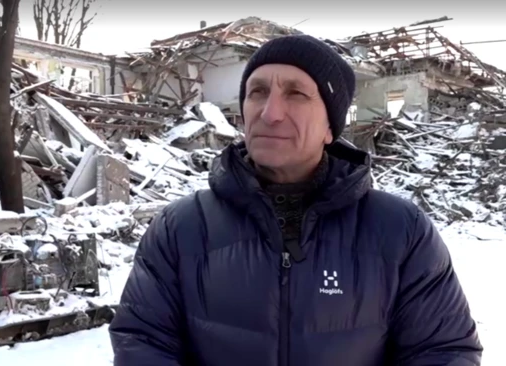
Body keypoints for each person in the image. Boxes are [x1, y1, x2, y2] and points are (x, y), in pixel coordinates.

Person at [109, 34, 482, 366]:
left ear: (329, 127)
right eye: (257, 92)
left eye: (296, 94)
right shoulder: (181, 228)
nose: (270, 113)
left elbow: (443, 351)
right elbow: (143, 343)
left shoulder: (400, 230)